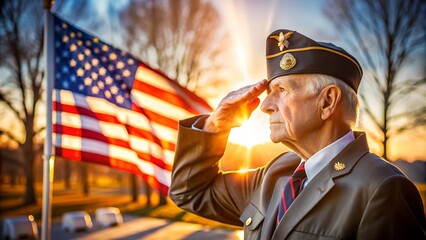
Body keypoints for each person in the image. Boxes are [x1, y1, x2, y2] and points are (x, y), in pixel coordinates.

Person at [169, 29, 426, 239]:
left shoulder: (382, 189)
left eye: (282, 90)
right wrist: (215, 126)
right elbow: (188, 192)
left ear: (327, 102)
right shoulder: (274, 175)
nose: (265, 106)